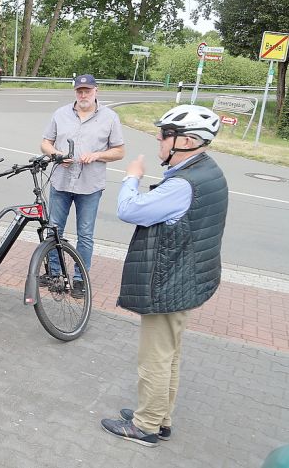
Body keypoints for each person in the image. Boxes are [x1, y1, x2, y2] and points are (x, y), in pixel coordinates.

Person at [100, 105, 228, 447]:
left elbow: (130, 210)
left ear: (185, 141)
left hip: (170, 280)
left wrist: (133, 176)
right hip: (188, 277)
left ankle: (145, 427)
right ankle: (160, 417)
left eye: (164, 135)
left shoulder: (184, 185)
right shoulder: (207, 171)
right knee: (169, 352)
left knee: (154, 356)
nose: (158, 139)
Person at [40, 74, 125, 282]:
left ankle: (80, 279)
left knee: (85, 235)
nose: (83, 94)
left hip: (90, 185)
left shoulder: (110, 117)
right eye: (79, 91)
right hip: (60, 181)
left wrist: (98, 155)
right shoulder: (60, 114)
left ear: (96, 91)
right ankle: (54, 273)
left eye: (87, 90)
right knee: (54, 230)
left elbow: (119, 151)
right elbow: (45, 143)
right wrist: (56, 155)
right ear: (75, 92)